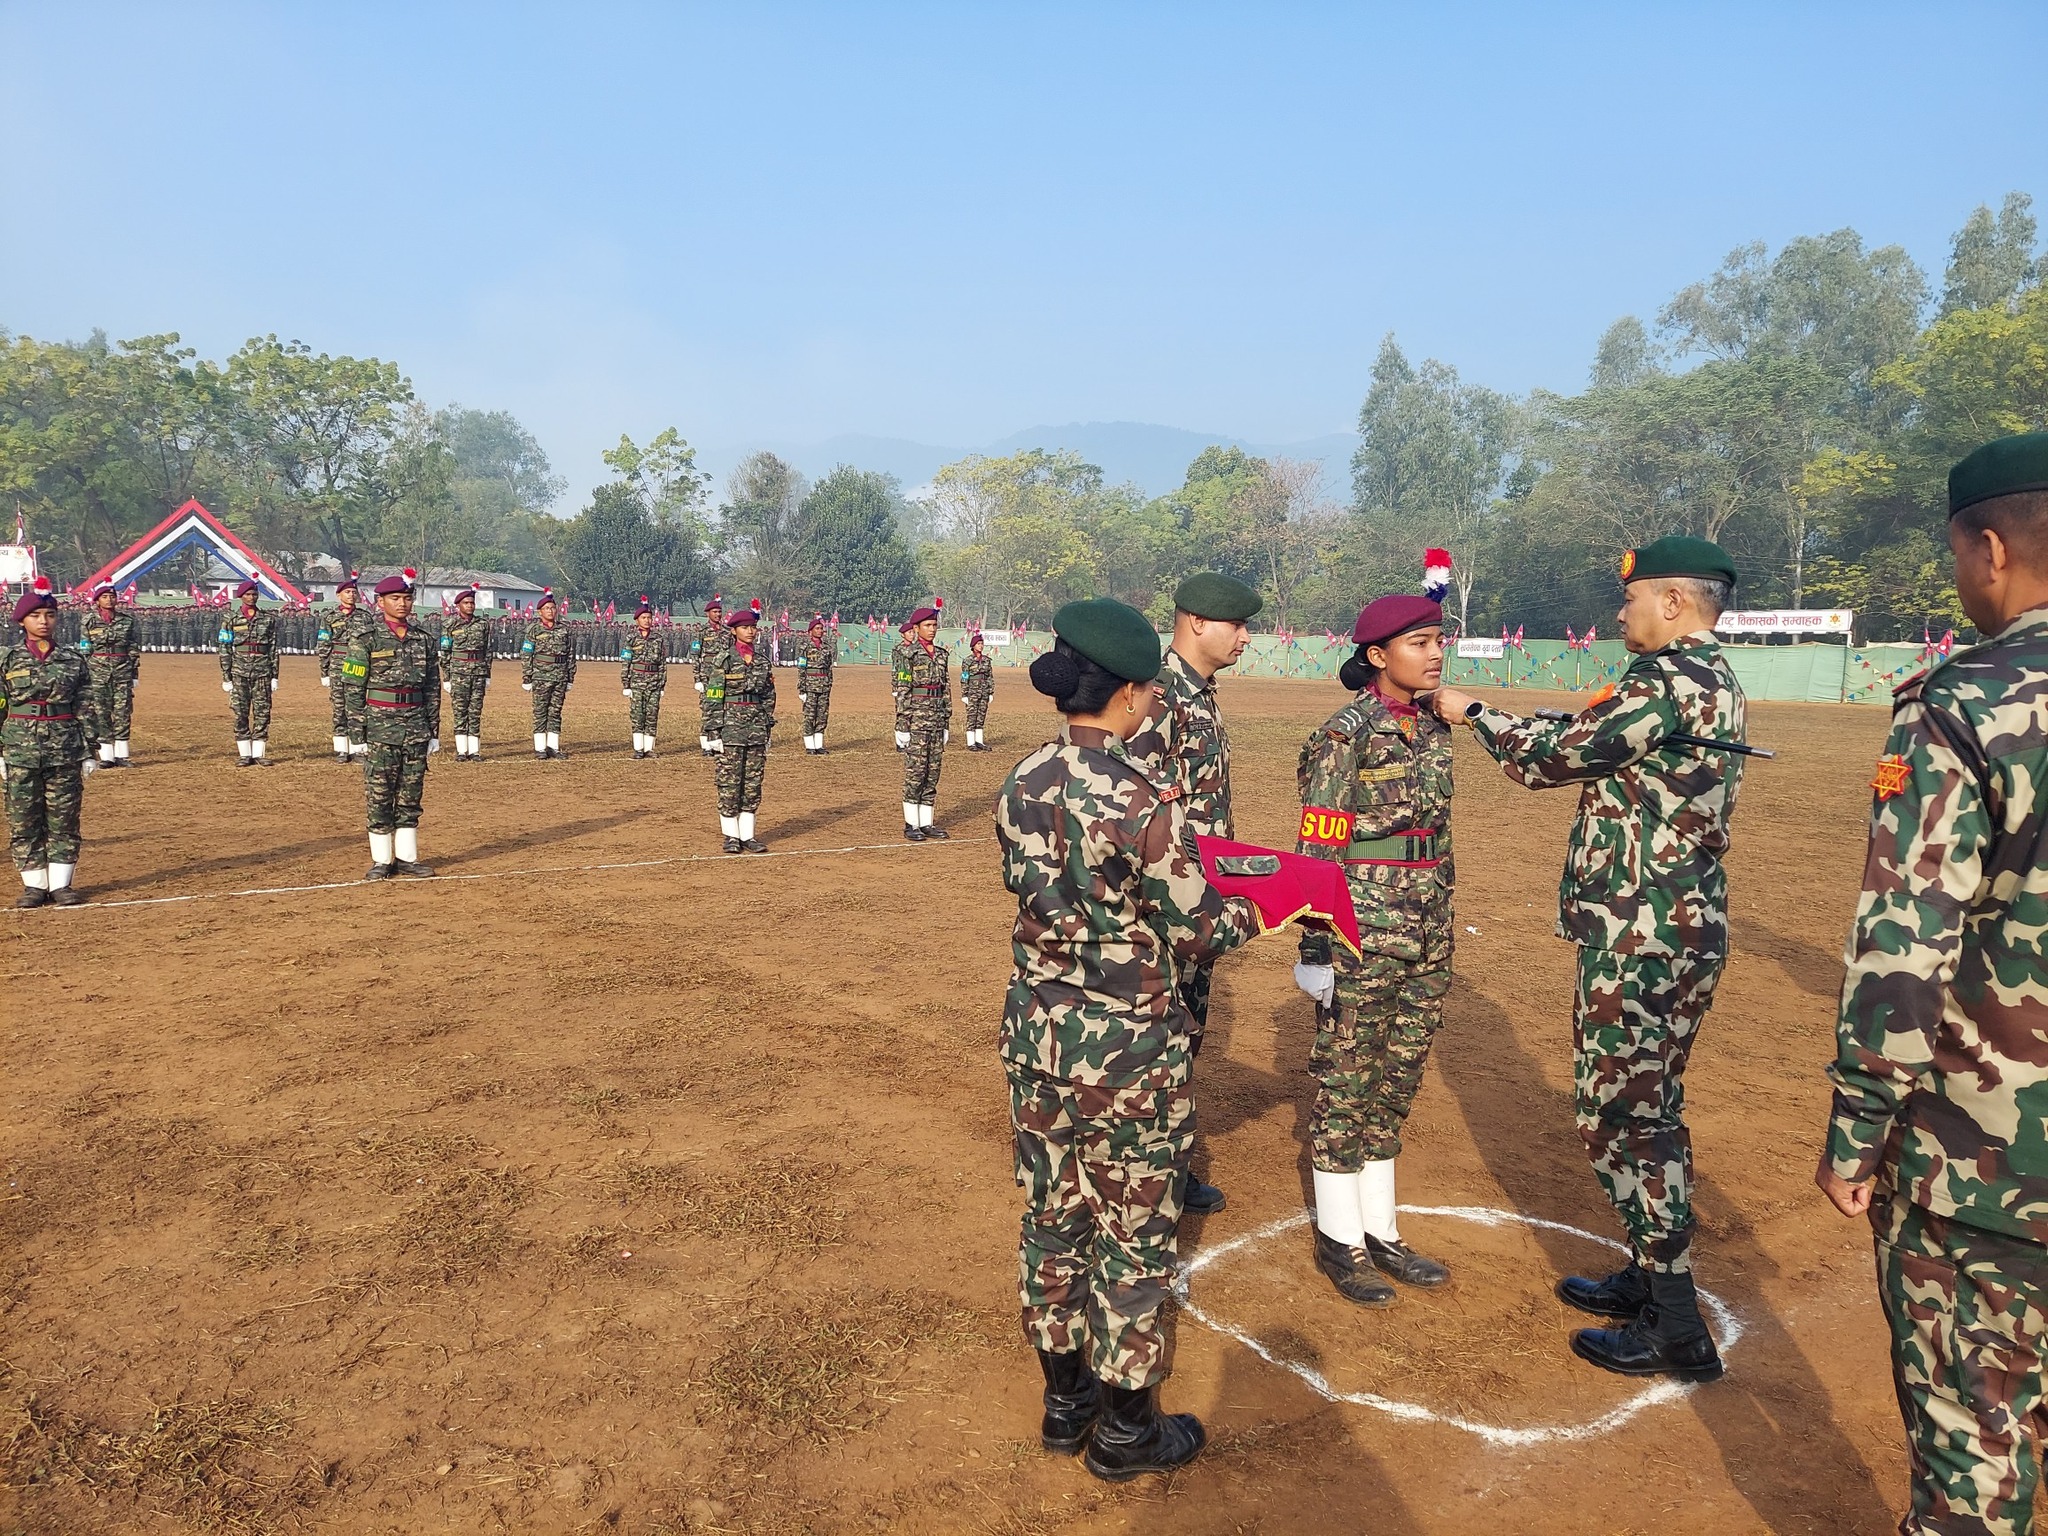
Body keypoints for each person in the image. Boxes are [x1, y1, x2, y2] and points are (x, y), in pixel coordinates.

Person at [1430, 535, 1746, 1382]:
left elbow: (1551, 758)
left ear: (1674, 603)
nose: (1621, 610)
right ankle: (1648, 1280)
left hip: (1646, 935)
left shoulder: (1668, 680)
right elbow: (1589, 735)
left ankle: (1675, 1324)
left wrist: (1469, 713)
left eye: (1633, 598)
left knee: (1627, 1118)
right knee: (1648, 1104)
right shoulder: (1705, 679)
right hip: (1671, 926)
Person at [1813, 432, 2048, 1536]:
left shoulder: (1969, 700)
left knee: (1973, 1447)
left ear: (1989, 548)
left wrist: (1857, 1127)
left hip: (1991, 1164)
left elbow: (1904, 942)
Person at [998, 598, 1265, 1481]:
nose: (1155, 704)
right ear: (1127, 694)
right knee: (1134, 1236)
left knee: (1052, 1219)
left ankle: (1063, 1399)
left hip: (1039, 1037)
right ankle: (1124, 1429)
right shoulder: (1140, 798)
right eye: (1150, 691)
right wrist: (1271, 901)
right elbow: (1200, 929)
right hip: (1126, 1051)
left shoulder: (1023, 779)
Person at [1291, 593, 1456, 1306]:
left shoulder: (1434, 726)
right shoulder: (1343, 734)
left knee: (1396, 1079)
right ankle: (1340, 1236)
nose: (1436, 653)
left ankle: (1381, 1227)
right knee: (1348, 1080)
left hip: (1428, 925)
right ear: (1377, 656)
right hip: (1363, 926)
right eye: (1419, 642)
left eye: (1437, 640)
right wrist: (1316, 945)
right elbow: (1318, 845)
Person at [1123, 571, 1261, 1216]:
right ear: (1197, 622)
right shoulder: (1159, 695)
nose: (1244, 638)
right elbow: (1137, 810)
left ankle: (1168, 1165)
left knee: (1185, 1034)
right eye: (1236, 625)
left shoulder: (1198, 693)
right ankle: (1141, 1171)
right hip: (1165, 902)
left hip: (1199, 896)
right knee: (1156, 1039)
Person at [3, 577, 100, 906]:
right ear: (21, 621)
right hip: (19, 750)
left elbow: (86, 706)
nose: (44, 622)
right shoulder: (7, 660)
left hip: (65, 748)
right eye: (36, 616)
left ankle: (61, 884)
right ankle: (34, 885)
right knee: (23, 818)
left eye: (50, 615)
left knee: (64, 818)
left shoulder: (73, 660)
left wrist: (90, 750)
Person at [339, 569, 440, 879]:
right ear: (380, 602)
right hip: (380, 727)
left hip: (415, 726)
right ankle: (382, 861)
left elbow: (432, 687)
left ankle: (408, 858)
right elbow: (353, 687)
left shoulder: (422, 639)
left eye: (407, 598)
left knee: (411, 795)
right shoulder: (365, 639)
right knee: (380, 795)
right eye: (395, 599)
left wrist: (433, 730)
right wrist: (357, 734)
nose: (402, 604)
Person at [706, 600, 775, 852]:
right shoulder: (723, 660)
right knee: (729, 782)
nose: (750, 631)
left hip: (755, 728)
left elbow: (768, 695)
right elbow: (713, 696)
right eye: (744, 627)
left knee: (752, 783)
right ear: (733, 630)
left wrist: (767, 726)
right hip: (730, 728)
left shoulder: (762, 661)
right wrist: (712, 732)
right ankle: (731, 836)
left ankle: (748, 836)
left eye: (753, 627)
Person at [893, 599, 952, 841]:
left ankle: (927, 822)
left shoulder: (941, 655)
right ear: (916, 628)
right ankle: (911, 824)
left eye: (934, 624)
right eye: (927, 625)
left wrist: (946, 720)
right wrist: (902, 725)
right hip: (916, 718)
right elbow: (903, 688)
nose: (932, 629)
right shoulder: (907, 653)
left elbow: (945, 688)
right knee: (916, 772)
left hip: (936, 719)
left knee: (933, 771)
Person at [217, 578, 280, 765]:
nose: (252, 597)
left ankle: (259, 753)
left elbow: (273, 649)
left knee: (262, 712)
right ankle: (245, 753)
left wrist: (275, 675)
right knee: (240, 712)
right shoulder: (230, 619)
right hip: (239, 671)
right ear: (241, 597)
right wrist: (226, 676)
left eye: (254, 594)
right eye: (248, 594)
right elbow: (224, 648)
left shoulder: (268, 619)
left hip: (262, 670)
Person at [80, 580, 138, 767]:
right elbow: (85, 648)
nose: (110, 600)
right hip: (97, 670)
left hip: (122, 669)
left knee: (122, 711)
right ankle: (107, 756)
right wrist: (86, 673)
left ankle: (122, 754)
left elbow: (133, 647)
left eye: (112, 596)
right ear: (97, 600)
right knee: (101, 711)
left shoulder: (127, 621)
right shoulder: (88, 620)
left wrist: (134, 673)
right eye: (105, 597)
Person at [316, 573, 371, 762]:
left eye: (354, 592)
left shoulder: (365, 617)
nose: (351, 595)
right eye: (347, 592)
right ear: (339, 595)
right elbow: (324, 645)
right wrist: (324, 671)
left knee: (357, 706)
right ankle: (342, 749)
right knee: (339, 708)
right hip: (337, 665)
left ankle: (358, 748)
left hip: (357, 665)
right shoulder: (329, 617)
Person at [440, 583, 493, 760]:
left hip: (478, 672)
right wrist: (447, 677)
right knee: (460, 711)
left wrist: (487, 675)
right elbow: (445, 652)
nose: (470, 606)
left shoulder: (483, 624)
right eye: (466, 603)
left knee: (475, 711)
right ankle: (462, 750)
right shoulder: (449, 624)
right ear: (458, 606)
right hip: (458, 673)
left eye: (472, 603)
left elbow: (487, 651)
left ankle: (474, 750)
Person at [521, 589, 576, 759]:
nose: (550, 611)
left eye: (553, 608)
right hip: (540, 676)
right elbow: (526, 654)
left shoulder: (565, 630)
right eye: (547, 608)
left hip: (559, 676)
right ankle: (540, 748)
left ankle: (553, 746)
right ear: (540, 612)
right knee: (540, 711)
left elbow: (571, 655)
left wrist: (570, 677)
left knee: (555, 711)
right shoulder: (533, 629)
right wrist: (527, 677)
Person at [620, 597, 669, 759]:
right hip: (637, 681)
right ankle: (638, 748)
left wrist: (662, 685)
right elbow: (626, 661)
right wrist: (626, 684)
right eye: (644, 618)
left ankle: (649, 749)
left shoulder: (658, 638)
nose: (647, 620)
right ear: (637, 620)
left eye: (649, 617)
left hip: (654, 681)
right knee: (637, 715)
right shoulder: (631, 638)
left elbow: (662, 663)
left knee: (652, 714)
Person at [690, 595, 729, 756]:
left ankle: (718, 742)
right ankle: (706, 744)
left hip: (724, 676)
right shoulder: (701, 632)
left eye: (719, 611)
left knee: (722, 710)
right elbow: (695, 656)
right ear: (707, 613)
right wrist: (697, 678)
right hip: (707, 676)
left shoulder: (727, 632)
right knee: (708, 709)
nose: (718, 614)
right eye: (714, 612)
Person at [797, 614, 835, 754]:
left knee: (822, 715)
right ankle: (810, 746)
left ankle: (819, 745)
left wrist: (829, 683)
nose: (820, 631)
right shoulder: (804, 647)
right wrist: (802, 689)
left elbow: (829, 668)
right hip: (810, 685)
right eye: (817, 628)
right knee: (809, 715)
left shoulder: (827, 647)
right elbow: (801, 668)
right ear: (810, 631)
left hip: (824, 685)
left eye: (821, 629)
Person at [962, 631, 995, 750]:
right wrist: (964, 694)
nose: (981, 646)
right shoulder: (967, 661)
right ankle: (971, 743)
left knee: (981, 716)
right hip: (972, 692)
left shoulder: (987, 660)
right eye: (978, 644)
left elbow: (990, 676)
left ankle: (979, 741)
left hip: (984, 691)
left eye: (982, 643)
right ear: (973, 646)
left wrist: (991, 692)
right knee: (972, 717)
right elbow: (964, 677)